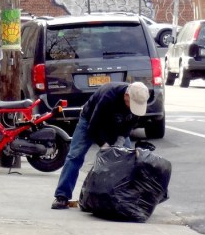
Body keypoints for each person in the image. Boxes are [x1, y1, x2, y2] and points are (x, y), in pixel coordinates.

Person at [50, 81, 149, 209]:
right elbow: (93, 127)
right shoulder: (108, 96)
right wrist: (104, 145)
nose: (133, 108)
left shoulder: (138, 100)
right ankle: (62, 196)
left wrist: (119, 142)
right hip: (90, 121)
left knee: (127, 159)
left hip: (116, 124)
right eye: (132, 104)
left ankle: (123, 198)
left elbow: (128, 126)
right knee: (75, 156)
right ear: (126, 95)